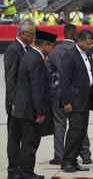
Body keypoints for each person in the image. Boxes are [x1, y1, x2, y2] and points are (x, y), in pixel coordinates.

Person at [12, 30, 57, 179]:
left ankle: (23, 172)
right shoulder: (36, 59)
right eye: (52, 46)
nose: (53, 49)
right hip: (31, 111)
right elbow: (36, 88)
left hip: (23, 109)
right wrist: (39, 113)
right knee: (30, 144)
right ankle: (26, 173)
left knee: (27, 143)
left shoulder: (30, 55)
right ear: (45, 44)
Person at [47, 24, 93, 165]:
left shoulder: (54, 51)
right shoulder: (81, 51)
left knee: (60, 125)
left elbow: (48, 72)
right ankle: (85, 154)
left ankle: (59, 155)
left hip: (59, 94)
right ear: (75, 35)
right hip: (77, 96)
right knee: (79, 125)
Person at [60, 30, 93, 173]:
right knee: (74, 131)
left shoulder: (87, 54)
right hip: (74, 101)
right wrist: (66, 102)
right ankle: (67, 161)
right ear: (80, 41)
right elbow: (64, 81)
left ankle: (74, 160)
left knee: (81, 132)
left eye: (92, 43)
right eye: (89, 43)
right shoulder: (69, 55)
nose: (91, 46)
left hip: (85, 99)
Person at [4, 19, 36, 179]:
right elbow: (10, 79)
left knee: (26, 138)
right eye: (32, 34)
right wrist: (12, 103)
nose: (34, 37)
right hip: (17, 104)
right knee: (15, 138)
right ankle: (13, 171)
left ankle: (23, 171)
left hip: (26, 105)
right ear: (23, 34)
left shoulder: (27, 49)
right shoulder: (13, 50)